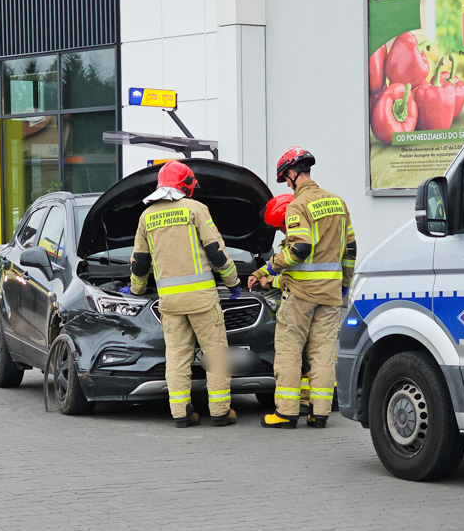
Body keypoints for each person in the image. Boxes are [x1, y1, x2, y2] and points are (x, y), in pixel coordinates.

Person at [128, 160, 242, 428]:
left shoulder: (147, 216)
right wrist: (232, 281)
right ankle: (220, 412)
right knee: (215, 354)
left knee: (177, 357)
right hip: (202, 298)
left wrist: (136, 289)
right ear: (185, 184)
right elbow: (216, 250)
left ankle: (180, 413)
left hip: (170, 302)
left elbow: (139, 261)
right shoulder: (196, 209)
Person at [249, 147, 356, 428]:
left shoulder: (298, 206)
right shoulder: (338, 202)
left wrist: (269, 267)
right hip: (331, 294)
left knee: (288, 350)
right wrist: (344, 283)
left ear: (293, 174)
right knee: (323, 352)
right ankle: (319, 413)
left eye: (286, 178)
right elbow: (351, 249)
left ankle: (285, 412)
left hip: (301, 295)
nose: (287, 183)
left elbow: (299, 248)